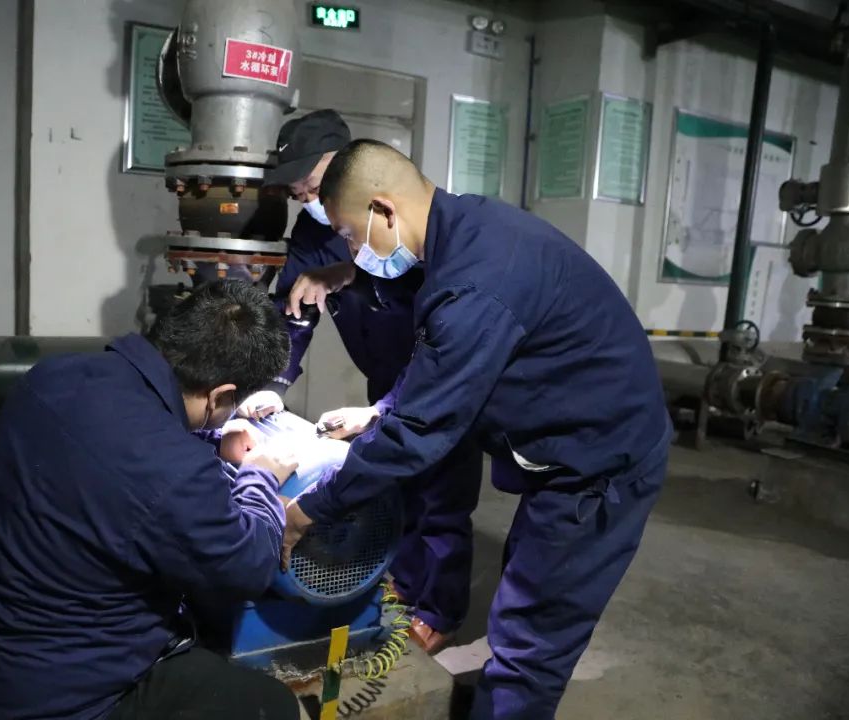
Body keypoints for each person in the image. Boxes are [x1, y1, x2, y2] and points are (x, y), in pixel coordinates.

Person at [281, 140, 671, 719]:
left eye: (351, 236)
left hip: (598, 462)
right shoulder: (463, 230)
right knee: (524, 599)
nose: (353, 255)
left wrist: (311, 510)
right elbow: (438, 357)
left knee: (528, 643)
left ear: (384, 210)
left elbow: (421, 431)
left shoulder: (475, 281)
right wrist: (380, 410)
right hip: (561, 445)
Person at [0, 281, 301, 720]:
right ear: (221, 396)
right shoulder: (175, 470)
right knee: (272, 707)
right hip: (39, 704)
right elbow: (247, 566)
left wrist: (211, 438)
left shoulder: (52, 376)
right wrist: (261, 477)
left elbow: (116, 451)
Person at [236, 109, 482, 653]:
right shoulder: (311, 229)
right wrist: (274, 382)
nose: (304, 196)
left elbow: (440, 327)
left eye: (312, 183)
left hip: (440, 376)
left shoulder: (410, 227)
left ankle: (440, 612)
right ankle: (403, 582)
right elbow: (296, 308)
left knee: (442, 496)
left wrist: (349, 271)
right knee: (395, 486)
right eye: (297, 190)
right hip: (383, 375)